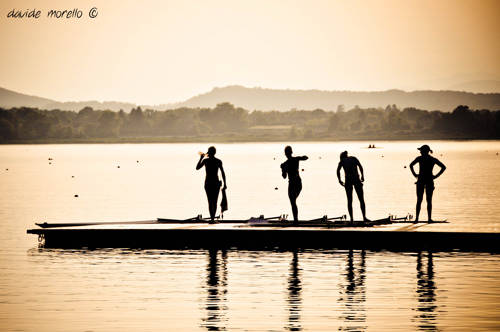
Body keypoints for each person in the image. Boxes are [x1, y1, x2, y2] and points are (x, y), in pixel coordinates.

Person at [409, 145, 446, 222]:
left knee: (421, 200)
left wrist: (415, 175)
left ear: (425, 151)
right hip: (427, 181)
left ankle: (418, 219)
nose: (420, 152)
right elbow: (443, 167)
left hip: (422, 181)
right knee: (427, 200)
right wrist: (436, 176)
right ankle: (427, 219)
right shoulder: (432, 159)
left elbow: (411, 165)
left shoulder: (420, 158)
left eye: (421, 150)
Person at [196, 146, 227, 223]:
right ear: (215, 153)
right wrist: (225, 184)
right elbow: (223, 173)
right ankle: (212, 219)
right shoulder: (218, 161)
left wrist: (201, 158)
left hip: (208, 183)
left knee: (210, 201)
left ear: (209, 152)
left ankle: (212, 219)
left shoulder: (206, 161)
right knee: (214, 201)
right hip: (215, 183)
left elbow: (197, 167)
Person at [337, 151, 369, 222]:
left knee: (349, 200)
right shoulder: (354, 158)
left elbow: (338, 171)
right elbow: (360, 166)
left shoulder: (342, 161)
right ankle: (364, 217)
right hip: (356, 179)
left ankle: (351, 219)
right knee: (361, 199)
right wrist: (362, 176)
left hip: (348, 180)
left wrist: (339, 180)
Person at [281, 146, 308, 224]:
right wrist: (282, 169)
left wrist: (301, 158)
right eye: (287, 153)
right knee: (293, 201)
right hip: (293, 184)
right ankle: (295, 220)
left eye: (288, 153)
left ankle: (296, 220)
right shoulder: (288, 163)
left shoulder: (292, 161)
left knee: (293, 201)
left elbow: (284, 177)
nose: (288, 154)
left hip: (296, 183)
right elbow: (284, 176)